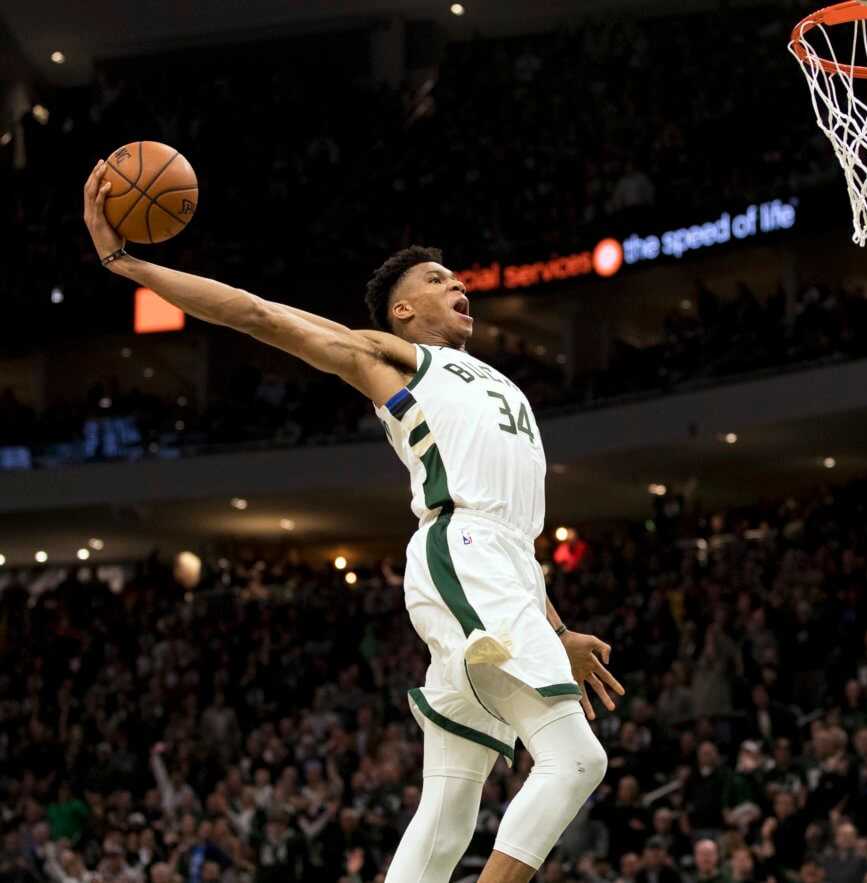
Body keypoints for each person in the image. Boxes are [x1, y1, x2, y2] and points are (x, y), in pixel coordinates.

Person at [82, 162, 627, 883]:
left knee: (450, 807)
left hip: (502, 567)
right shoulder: (394, 360)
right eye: (435, 278)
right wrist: (126, 264)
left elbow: (513, 532)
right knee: (577, 758)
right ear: (401, 310)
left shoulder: (501, 382)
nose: (456, 282)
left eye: (455, 275)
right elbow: (257, 314)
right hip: (461, 553)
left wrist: (557, 630)